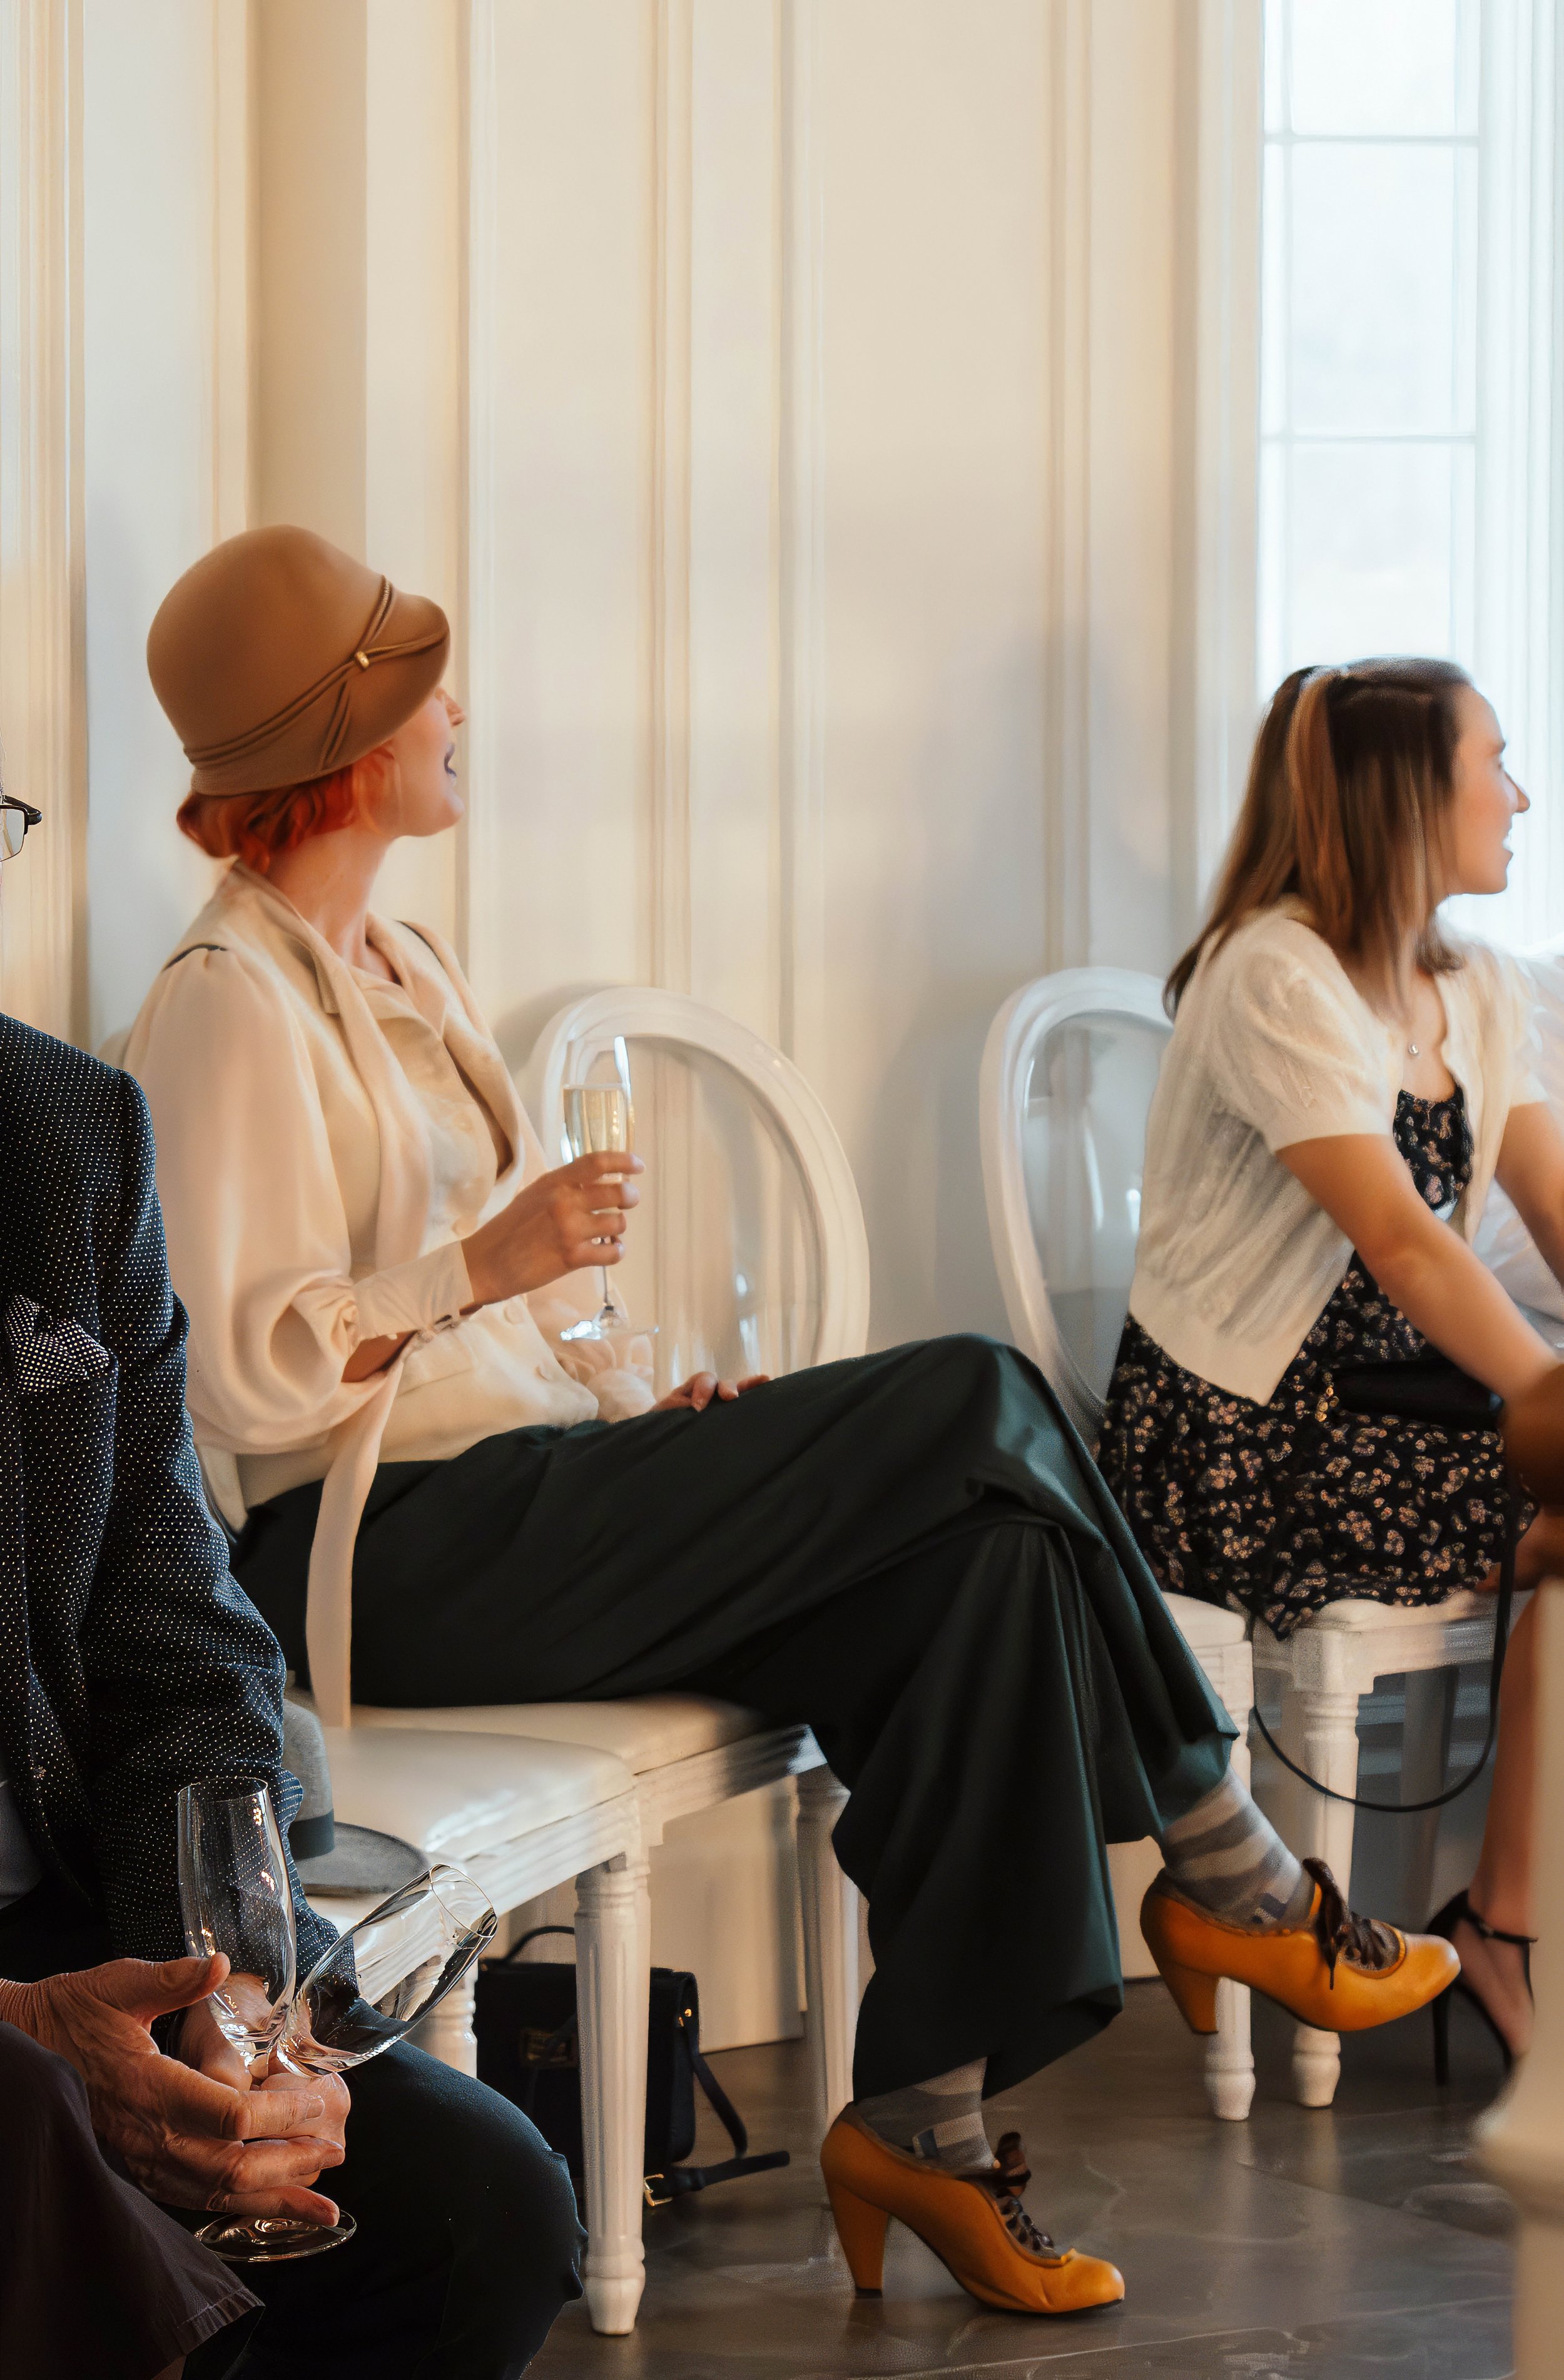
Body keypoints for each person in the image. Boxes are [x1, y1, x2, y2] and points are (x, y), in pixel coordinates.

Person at [126, 527, 1456, 2319]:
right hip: (381, 1551)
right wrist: (477, 1262)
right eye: (421, 683)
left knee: (985, 1565)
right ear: (347, 740)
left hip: (520, 1491)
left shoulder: (402, 965)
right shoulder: (226, 1005)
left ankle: (923, 2112)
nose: (460, 710)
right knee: (979, 1390)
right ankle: (1226, 1860)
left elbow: (524, 1322)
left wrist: (642, 1403)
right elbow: (240, 1376)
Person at [0, 783, 584, 2375]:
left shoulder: (58, 1136)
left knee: (484, 2214)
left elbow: (180, 1632)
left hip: (75, 1905)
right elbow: (293, 1370)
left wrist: (225, 1996)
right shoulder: (225, 994)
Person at [1098, 658, 1563, 2070]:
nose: (1517, 796)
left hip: (1395, 1417)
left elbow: (1546, 1197)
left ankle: (1507, 1920)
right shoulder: (1271, 975)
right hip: (1235, 1440)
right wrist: (1545, 1400)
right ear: (1408, 797)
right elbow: (1404, 1248)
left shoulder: (1468, 984)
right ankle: (1509, 1931)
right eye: (1492, 764)